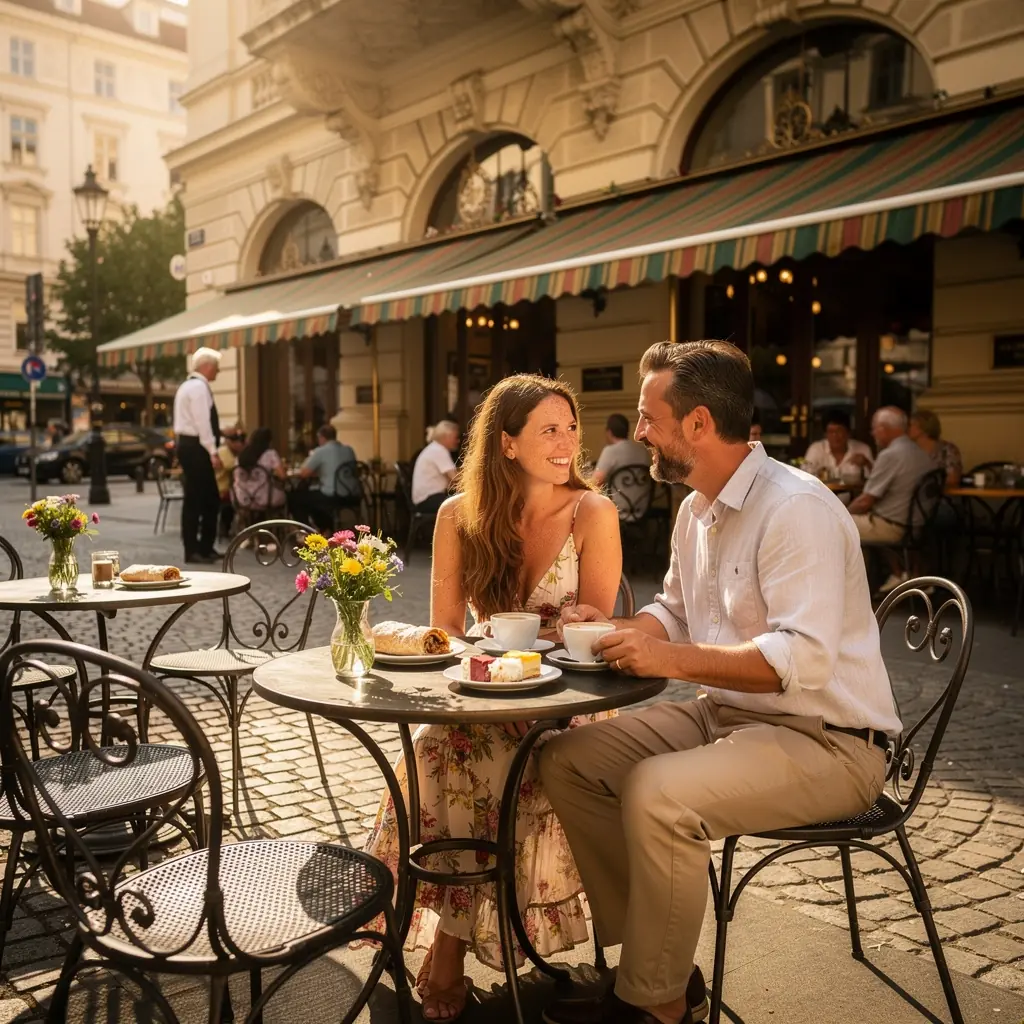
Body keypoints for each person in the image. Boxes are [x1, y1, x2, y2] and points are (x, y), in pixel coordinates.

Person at [538, 340, 901, 1024]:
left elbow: (801, 661)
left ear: (698, 425)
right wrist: (621, 628)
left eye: (650, 418)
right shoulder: (695, 509)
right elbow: (673, 608)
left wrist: (668, 661)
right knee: (568, 759)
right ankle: (655, 971)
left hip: (833, 743)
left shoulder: (798, 509)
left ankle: (657, 1005)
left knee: (657, 792)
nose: (639, 432)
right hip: (729, 717)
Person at [363, 375, 622, 1021]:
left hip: (567, 703)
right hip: (486, 697)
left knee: (496, 760)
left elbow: (601, 633)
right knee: (438, 750)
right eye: (548, 430)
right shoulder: (459, 515)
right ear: (507, 445)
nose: (567, 444)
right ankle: (448, 939)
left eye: (570, 428)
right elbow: (447, 631)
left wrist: (585, 622)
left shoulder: (595, 513)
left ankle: (445, 952)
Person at [847, 406, 934, 594]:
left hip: (892, 527)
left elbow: (865, 501)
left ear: (884, 429)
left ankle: (851, 591)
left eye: (874, 428)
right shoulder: (920, 453)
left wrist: (838, 512)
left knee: (833, 524)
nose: (872, 433)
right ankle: (898, 574)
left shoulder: (891, 455)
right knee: (860, 522)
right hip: (917, 525)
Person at [173, 347, 222, 564]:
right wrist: (213, 451)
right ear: (208, 366)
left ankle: (202, 547)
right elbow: (202, 422)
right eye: (217, 368)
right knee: (201, 499)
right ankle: (196, 549)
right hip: (196, 448)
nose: (218, 372)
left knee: (202, 498)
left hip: (187, 445)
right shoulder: (199, 388)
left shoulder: (186, 386)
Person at [288, 424, 358, 532]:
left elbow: (304, 473)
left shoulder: (321, 451)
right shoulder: (349, 450)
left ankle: (309, 532)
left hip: (332, 495)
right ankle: (325, 528)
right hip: (351, 495)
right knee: (313, 499)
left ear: (321, 437)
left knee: (296, 498)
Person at [592, 413, 652, 521]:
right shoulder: (643, 450)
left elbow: (595, 483)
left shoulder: (610, 451)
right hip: (643, 509)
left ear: (609, 432)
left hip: (618, 510)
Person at [802, 409, 874, 482]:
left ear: (848, 433)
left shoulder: (863, 449)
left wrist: (867, 463)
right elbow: (804, 477)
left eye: (839, 431)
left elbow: (875, 481)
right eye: (831, 432)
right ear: (825, 434)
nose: (835, 436)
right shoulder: (816, 449)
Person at [231, 427, 287, 517]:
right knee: (287, 496)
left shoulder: (241, 455)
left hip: (243, 499)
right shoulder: (270, 454)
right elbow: (282, 476)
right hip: (265, 499)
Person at [411, 420, 459, 513]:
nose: (458, 441)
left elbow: (452, 483)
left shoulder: (434, 448)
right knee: (464, 505)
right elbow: (455, 478)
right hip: (428, 500)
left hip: (425, 500)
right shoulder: (439, 450)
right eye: (455, 437)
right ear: (447, 436)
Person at [908, 408, 963, 490]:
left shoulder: (947, 450)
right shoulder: (908, 450)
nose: (906, 429)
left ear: (922, 428)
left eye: (910, 425)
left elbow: (953, 479)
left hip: (941, 498)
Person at [215, 425, 245, 541]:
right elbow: (232, 466)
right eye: (234, 440)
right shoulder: (224, 451)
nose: (239, 443)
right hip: (222, 488)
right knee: (242, 499)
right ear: (227, 441)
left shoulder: (232, 452)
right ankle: (225, 529)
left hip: (231, 487)